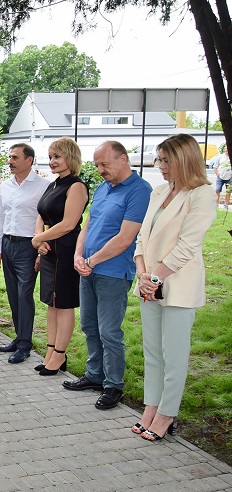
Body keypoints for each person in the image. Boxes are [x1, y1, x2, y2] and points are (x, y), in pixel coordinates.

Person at [132, 134, 216, 441]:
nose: (162, 166)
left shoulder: (202, 194)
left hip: (178, 285)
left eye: (167, 160)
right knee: (153, 352)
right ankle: (151, 407)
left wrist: (154, 279)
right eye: (159, 160)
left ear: (185, 160)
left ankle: (167, 413)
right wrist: (142, 274)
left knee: (174, 353)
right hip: (148, 284)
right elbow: (142, 237)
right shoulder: (158, 191)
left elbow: (187, 246)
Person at [64, 141, 152, 409]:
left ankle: (113, 385)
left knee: (109, 331)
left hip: (113, 272)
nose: (100, 170)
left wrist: (91, 260)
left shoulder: (139, 191)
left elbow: (126, 238)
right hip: (88, 268)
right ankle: (95, 375)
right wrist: (78, 256)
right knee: (89, 325)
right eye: (97, 165)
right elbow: (87, 224)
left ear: (123, 159)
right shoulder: (104, 187)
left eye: (105, 164)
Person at [30, 138, 89, 370]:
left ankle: (61, 354)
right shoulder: (52, 185)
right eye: (51, 156)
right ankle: (51, 351)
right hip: (48, 249)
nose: (52, 161)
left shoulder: (76, 186)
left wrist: (40, 238)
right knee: (51, 303)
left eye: (57, 156)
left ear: (70, 158)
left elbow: (68, 223)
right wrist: (39, 240)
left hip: (66, 249)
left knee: (63, 304)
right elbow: (41, 215)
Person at [0, 143, 50, 364]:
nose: (11, 161)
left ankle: (25, 344)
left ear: (30, 160)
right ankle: (18, 338)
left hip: (29, 246)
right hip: (8, 243)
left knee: (24, 294)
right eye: (10, 157)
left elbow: (47, 220)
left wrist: (40, 252)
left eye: (15, 157)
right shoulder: (5, 186)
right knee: (12, 294)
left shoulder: (43, 186)